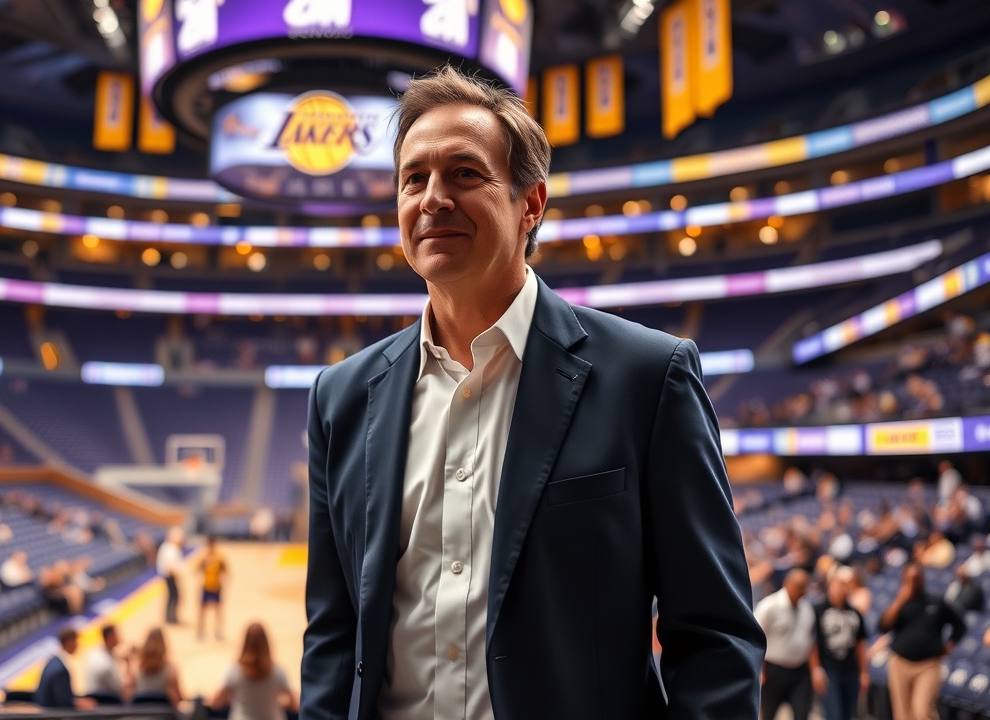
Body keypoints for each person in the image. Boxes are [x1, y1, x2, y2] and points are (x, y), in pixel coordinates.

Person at [300, 65, 764, 720]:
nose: (433, 198)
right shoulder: (341, 397)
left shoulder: (647, 377)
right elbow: (333, 635)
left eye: (465, 173)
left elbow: (714, 636)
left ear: (531, 204)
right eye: (414, 178)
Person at [879, 563, 967, 720]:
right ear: (903, 580)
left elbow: (960, 625)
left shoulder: (936, 601)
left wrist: (950, 644)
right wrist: (899, 600)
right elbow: (883, 626)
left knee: (923, 711)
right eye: (909, 578)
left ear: (922, 579)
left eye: (916, 578)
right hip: (900, 663)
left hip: (928, 665)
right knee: (902, 714)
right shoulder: (900, 603)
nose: (913, 582)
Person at [755, 569, 816, 720]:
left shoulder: (807, 608)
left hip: (800, 672)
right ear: (786, 584)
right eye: (799, 587)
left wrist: (815, 669)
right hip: (773, 671)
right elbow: (755, 638)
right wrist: (759, 669)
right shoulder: (769, 606)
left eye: (805, 587)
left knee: (802, 714)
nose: (802, 591)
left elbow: (810, 640)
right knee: (768, 714)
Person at [811, 566, 869, 720]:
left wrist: (864, 672)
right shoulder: (818, 610)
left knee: (847, 714)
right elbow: (812, 642)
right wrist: (815, 669)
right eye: (838, 584)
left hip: (851, 669)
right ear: (830, 585)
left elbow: (860, 644)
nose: (842, 588)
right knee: (834, 715)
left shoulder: (854, 613)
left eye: (845, 585)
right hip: (829, 669)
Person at [209, 623, 298, 720]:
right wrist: (277, 703)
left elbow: (215, 703)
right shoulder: (278, 671)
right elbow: (295, 704)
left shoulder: (234, 670)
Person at [33, 627, 96, 710]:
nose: (78, 645)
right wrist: (79, 704)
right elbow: (63, 704)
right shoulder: (60, 670)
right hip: (52, 713)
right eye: (76, 641)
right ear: (69, 642)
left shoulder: (54, 661)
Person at [134, 628, 183, 706]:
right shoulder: (170, 671)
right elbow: (178, 699)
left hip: (142, 712)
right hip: (163, 712)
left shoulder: (137, 670)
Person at [85, 624, 134, 700]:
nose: (121, 637)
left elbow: (114, 655)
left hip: (98, 698)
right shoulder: (106, 666)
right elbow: (123, 690)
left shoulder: (95, 653)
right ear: (111, 637)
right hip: (108, 704)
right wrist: (128, 665)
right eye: (117, 635)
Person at [197, 537, 228, 641]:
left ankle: (218, 630)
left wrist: (224, 584)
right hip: (206, 586)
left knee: (218, 610)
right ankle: (201, 631)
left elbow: (226, 571)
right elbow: (197, 570)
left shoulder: (220, 558)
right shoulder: (203, 558)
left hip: (216, 587)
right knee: (202, 610)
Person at [157, 527, 185, 625]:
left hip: (170, 576)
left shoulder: (168, 547)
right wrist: (176, 574)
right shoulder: (170, 548)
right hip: (170, 576)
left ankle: (170, 616)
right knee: (174, 596)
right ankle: (171, 617)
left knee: (172, 596)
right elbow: (169, 565)